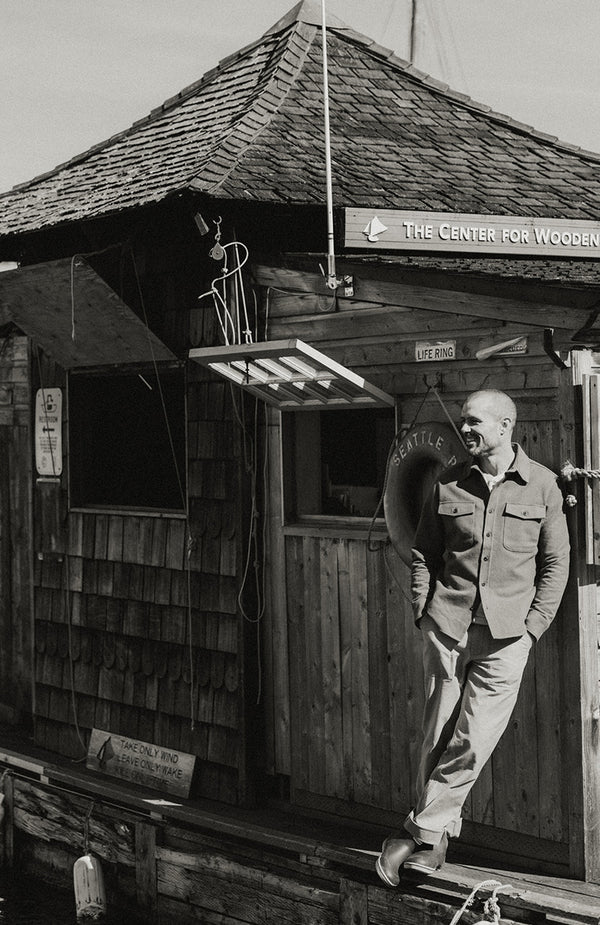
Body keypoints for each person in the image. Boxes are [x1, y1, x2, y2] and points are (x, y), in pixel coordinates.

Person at [376, 389, 570, 885]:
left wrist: (532, 630)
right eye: (462, 421)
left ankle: (417, 832)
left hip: (507, 639)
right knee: (436, 737)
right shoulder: (448, 482)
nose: (465, 430)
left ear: (505, 426)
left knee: (473, 740)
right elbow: (424, 552)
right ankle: (434, 844)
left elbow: (555, 566)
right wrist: (424, 612)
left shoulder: (542, 487)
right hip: (449, 629)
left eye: (475, 422)